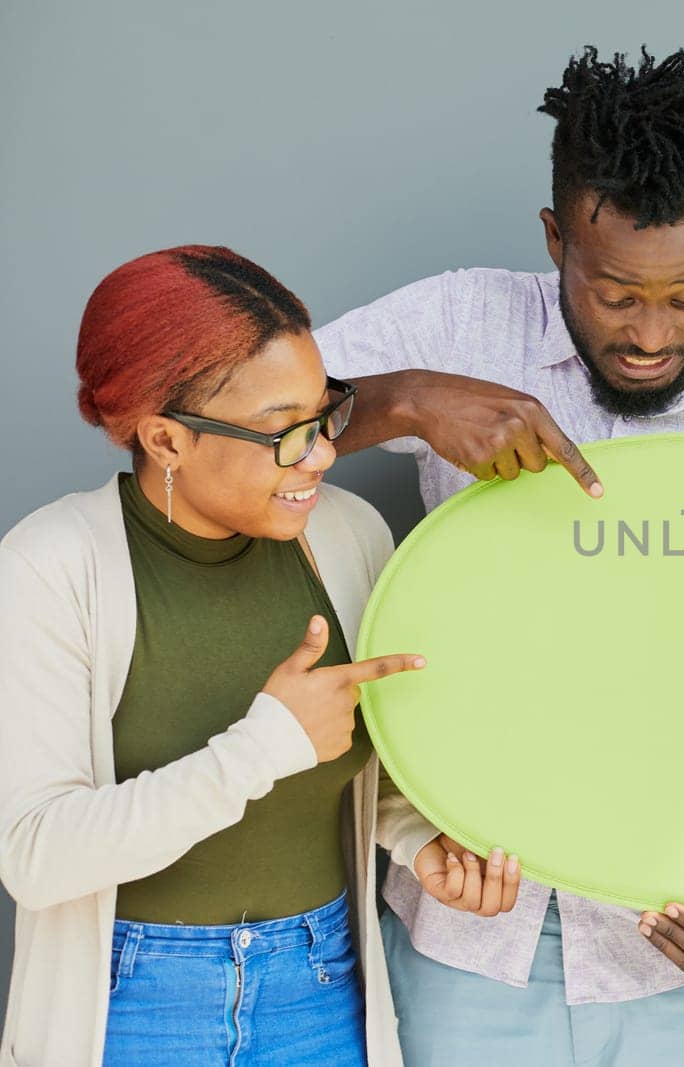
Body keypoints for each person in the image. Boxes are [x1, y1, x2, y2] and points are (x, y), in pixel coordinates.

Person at [314, 46, 684, 1065]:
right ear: (554, 237)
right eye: (615, 295)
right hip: (470, 926)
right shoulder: (459, 322)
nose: (651, 334)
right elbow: (219, 419)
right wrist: (403, 401)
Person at [0, 245, 424, 1065]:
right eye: (283, 433)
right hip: (133, 1005)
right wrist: (260, 745)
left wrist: (422, 846)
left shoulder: (349, 538)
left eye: (324, 413)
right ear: (165, 438)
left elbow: (366, 766)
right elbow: (37, 855)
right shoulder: (50, 565)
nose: (323, 455)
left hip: (321, 986)